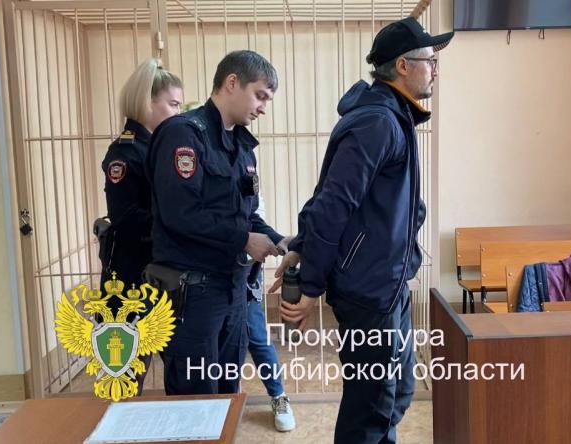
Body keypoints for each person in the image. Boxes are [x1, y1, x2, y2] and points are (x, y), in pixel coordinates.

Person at [271, 17, 454, 443]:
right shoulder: (379, 122)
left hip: (388, 284)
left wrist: (303, 245)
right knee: (371, 409)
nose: (435, 70)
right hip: (370, 290)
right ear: (403, 66)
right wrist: (310, 283)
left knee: (396, 392)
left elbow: (333, 195)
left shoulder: (391, 116)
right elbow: (333, 203)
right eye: (430, 61)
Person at [146, 50, 286, 395]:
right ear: (232, 83)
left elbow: (247, 214)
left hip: (232, 289)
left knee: (226, 390)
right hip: (192, 293)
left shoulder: (241, 146)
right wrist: (244, 240)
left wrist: (279, 240)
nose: (263, 108)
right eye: (260, 96)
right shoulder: (183, 135)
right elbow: (181, 213)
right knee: (195, 395)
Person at [99, 58, 182, 394]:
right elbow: (125, 216)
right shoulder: (126, 152)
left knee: (181, 371)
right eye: (173, 104)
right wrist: (177, 221)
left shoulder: (156, 147)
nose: (178, 113)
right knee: (125, 378)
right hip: (130, 277)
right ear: (148, 102)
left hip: (160, 274)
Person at [245, 195, 296, 432]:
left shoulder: (247, 176)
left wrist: (278, 239)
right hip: (211, 272)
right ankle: (226, 399)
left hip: (245, 268)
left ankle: (278, 396)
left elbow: (253, 217)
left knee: (257, 336)